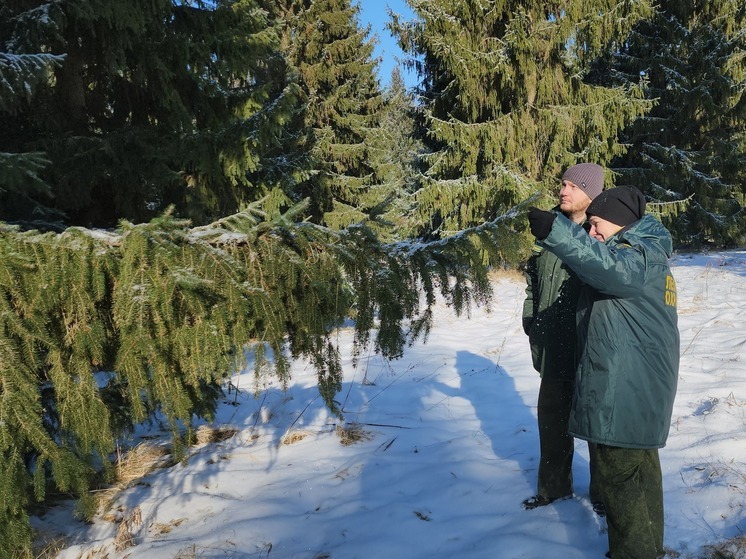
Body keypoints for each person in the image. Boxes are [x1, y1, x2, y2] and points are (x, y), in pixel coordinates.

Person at [527, 186, 680, 559]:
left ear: (620, 221)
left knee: (620, 478)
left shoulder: (636, 255)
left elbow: (610, 270)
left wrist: (556, 232)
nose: (592, 233)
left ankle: (633, 553)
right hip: (638, 380)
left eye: (596, 225)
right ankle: (647, 549)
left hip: (623, 384)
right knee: (642, 474)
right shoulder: (649, 251)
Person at [521, 162, 604, 511]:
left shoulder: (602, 230)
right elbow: (533, 280)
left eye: (573, 185)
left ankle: (605, 498)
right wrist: (531, 318)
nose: (563, 190)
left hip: (590, 345)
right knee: (552, 420)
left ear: (592, 193)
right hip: (553, 342)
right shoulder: (548, 227)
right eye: (563, 184)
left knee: (600, 427)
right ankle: (553, 490)